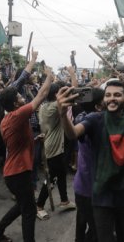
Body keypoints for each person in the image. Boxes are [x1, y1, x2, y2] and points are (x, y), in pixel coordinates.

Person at [56, 80, 124, 242]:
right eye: (108, 95)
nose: (112, 98)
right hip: (102, 198)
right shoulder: (94, 120)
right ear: (104, 100)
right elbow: (73, 134)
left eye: (117, 95)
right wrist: (62, 114)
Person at [0, 65, 53, 242]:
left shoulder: (9, 118)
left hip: (14, 172)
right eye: (19, 96)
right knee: (29, 210)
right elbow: (42, 95)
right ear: (16, 103)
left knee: (23, 205)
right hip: (18, 172)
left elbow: (16, 144)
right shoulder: (17, 115)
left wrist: (34, 139)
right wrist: (49, 76)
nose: (22, 96)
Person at [36, 82, 76, 220]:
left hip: (52, 146)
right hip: (53, 148)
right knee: (52, 178)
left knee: (62, 173)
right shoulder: (55, 107)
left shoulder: (44, 106)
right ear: (56, 95)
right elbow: (75, 96)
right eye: (61, 92)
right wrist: (72, 74)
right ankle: (39, 205)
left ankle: (64, 200)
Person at [73, 87, 105, 242]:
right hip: (91, 188)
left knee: (82, 222)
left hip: (82, 185)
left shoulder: (81, 116)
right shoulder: (95, 123)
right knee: (97, 229)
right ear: (98, 107)